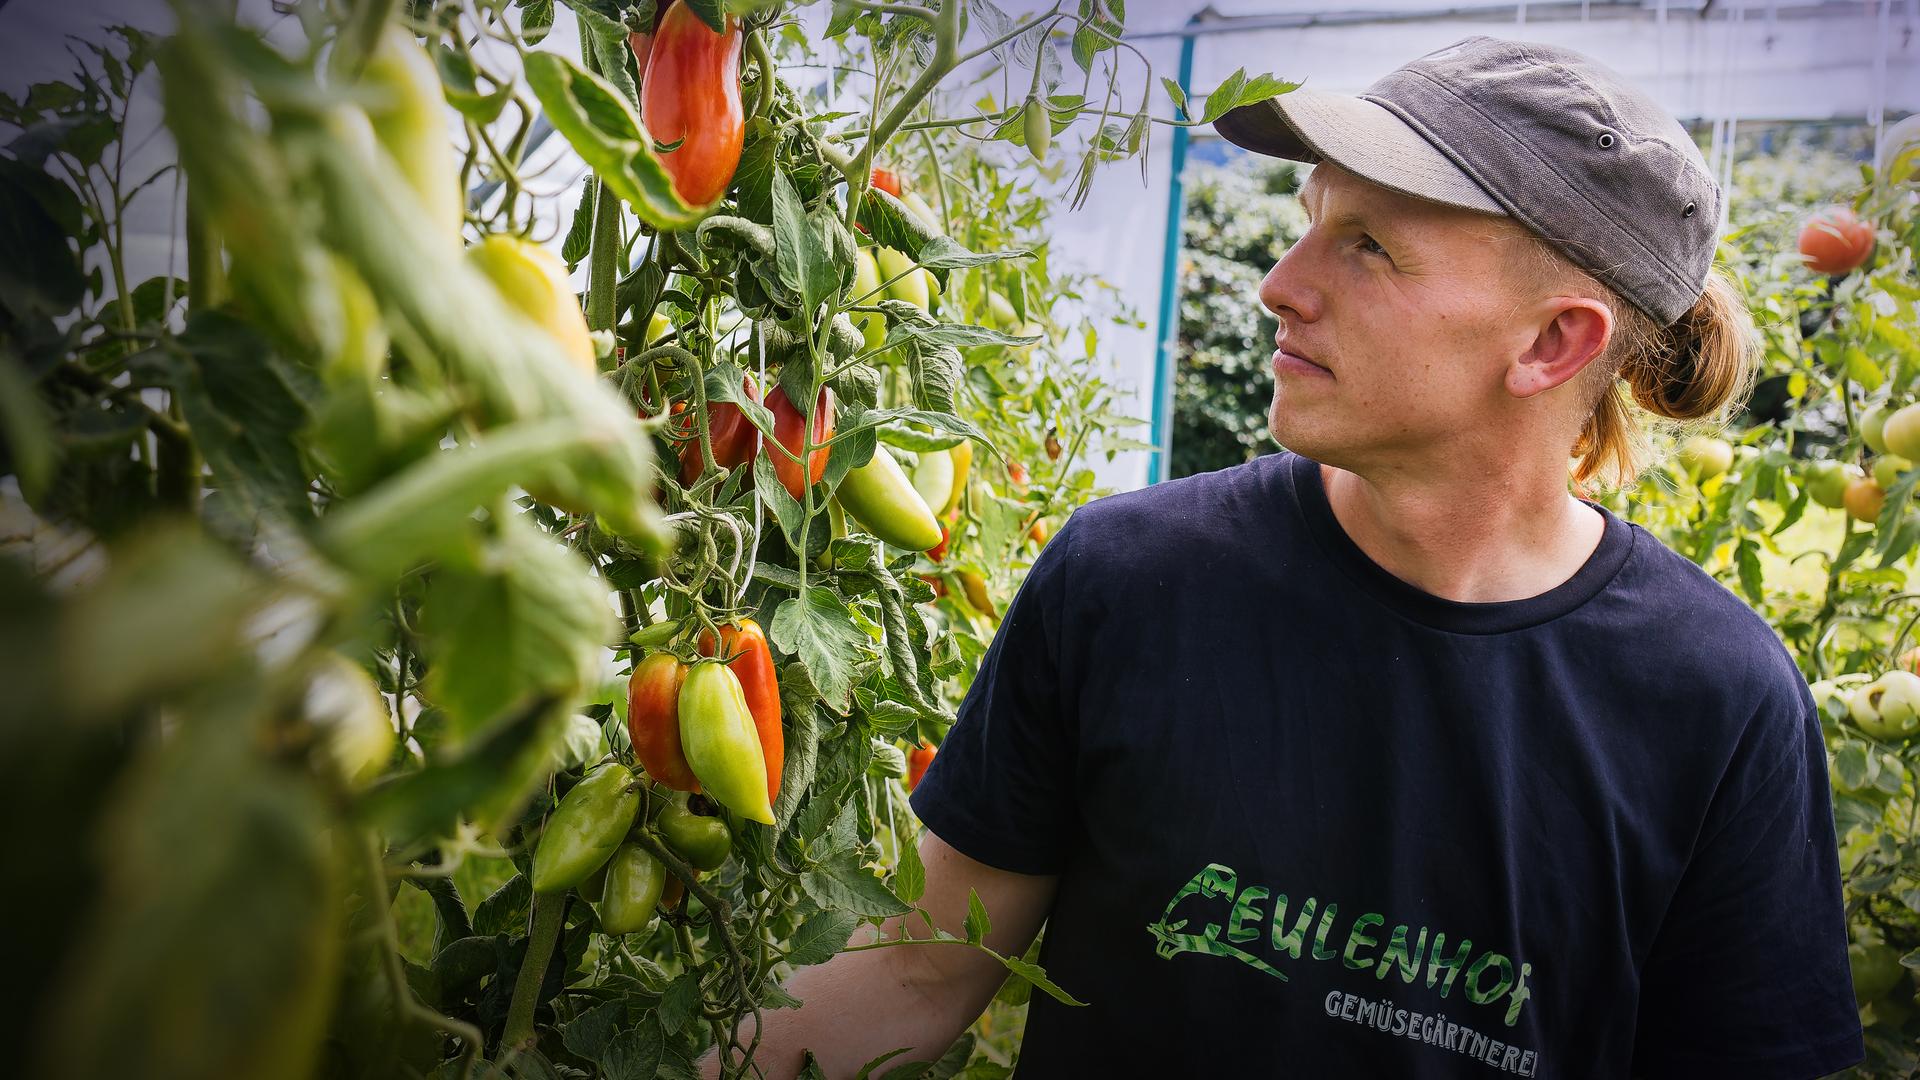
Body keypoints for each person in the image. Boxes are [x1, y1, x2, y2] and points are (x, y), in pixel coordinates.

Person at [706, 35, 1865, 1078]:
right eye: (1309, 219)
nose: (1280, 286)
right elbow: (915, 969)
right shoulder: (1130, 580)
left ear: (1555, 342)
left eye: (1368, 247)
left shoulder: (1717, 701)